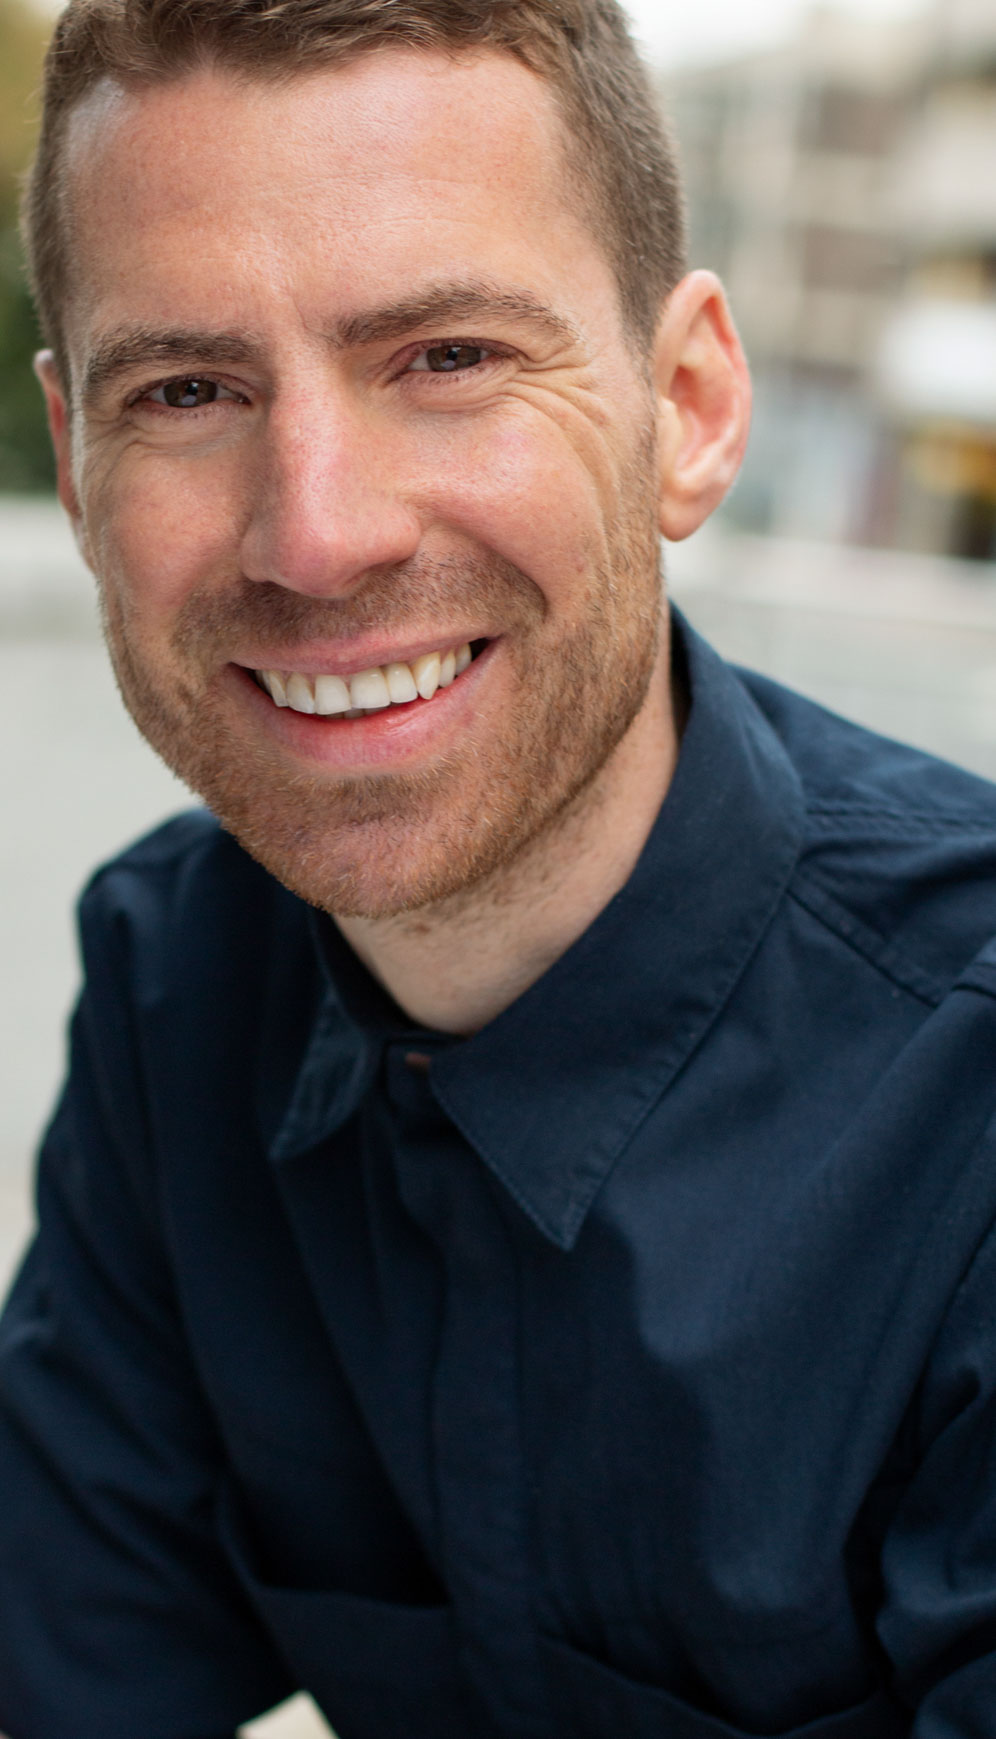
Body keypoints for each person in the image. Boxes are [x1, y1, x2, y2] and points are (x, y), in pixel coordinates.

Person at [3, 0, 996, 1734]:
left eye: (449, 357)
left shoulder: (969, 1088)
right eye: (188, 389)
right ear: (77, 470)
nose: (317, 531)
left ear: (684, 409)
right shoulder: (178, 976)